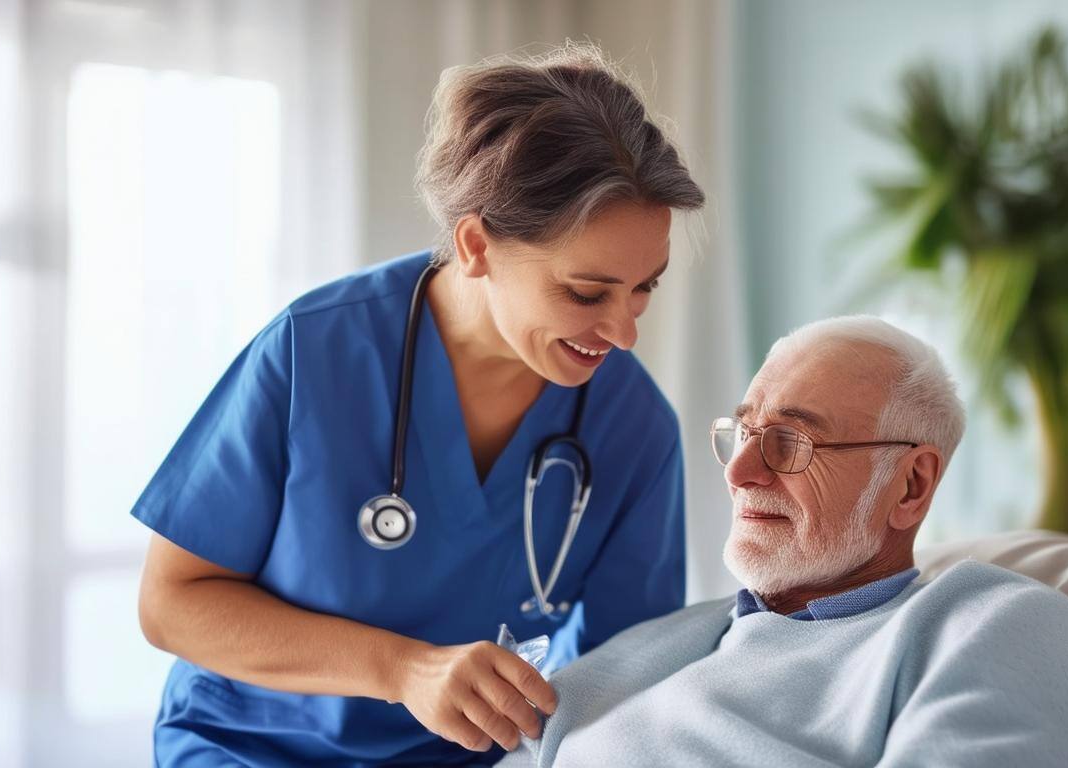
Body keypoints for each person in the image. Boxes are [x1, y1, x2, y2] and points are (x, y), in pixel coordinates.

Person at [132, 42, 704, 766]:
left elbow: (626, 671)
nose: (624, 333)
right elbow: (172, 603)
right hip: (249, 745)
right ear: (476, 244)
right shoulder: (315, 354)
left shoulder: (634, 427)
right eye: (586, 293)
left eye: (646, 286)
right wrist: (400, 670)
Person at [506, 317, 1068, 768]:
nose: (739, 472)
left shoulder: (997, 625)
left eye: (790, 444)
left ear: (911, 484)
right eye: (743, 432)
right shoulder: (658, 642)